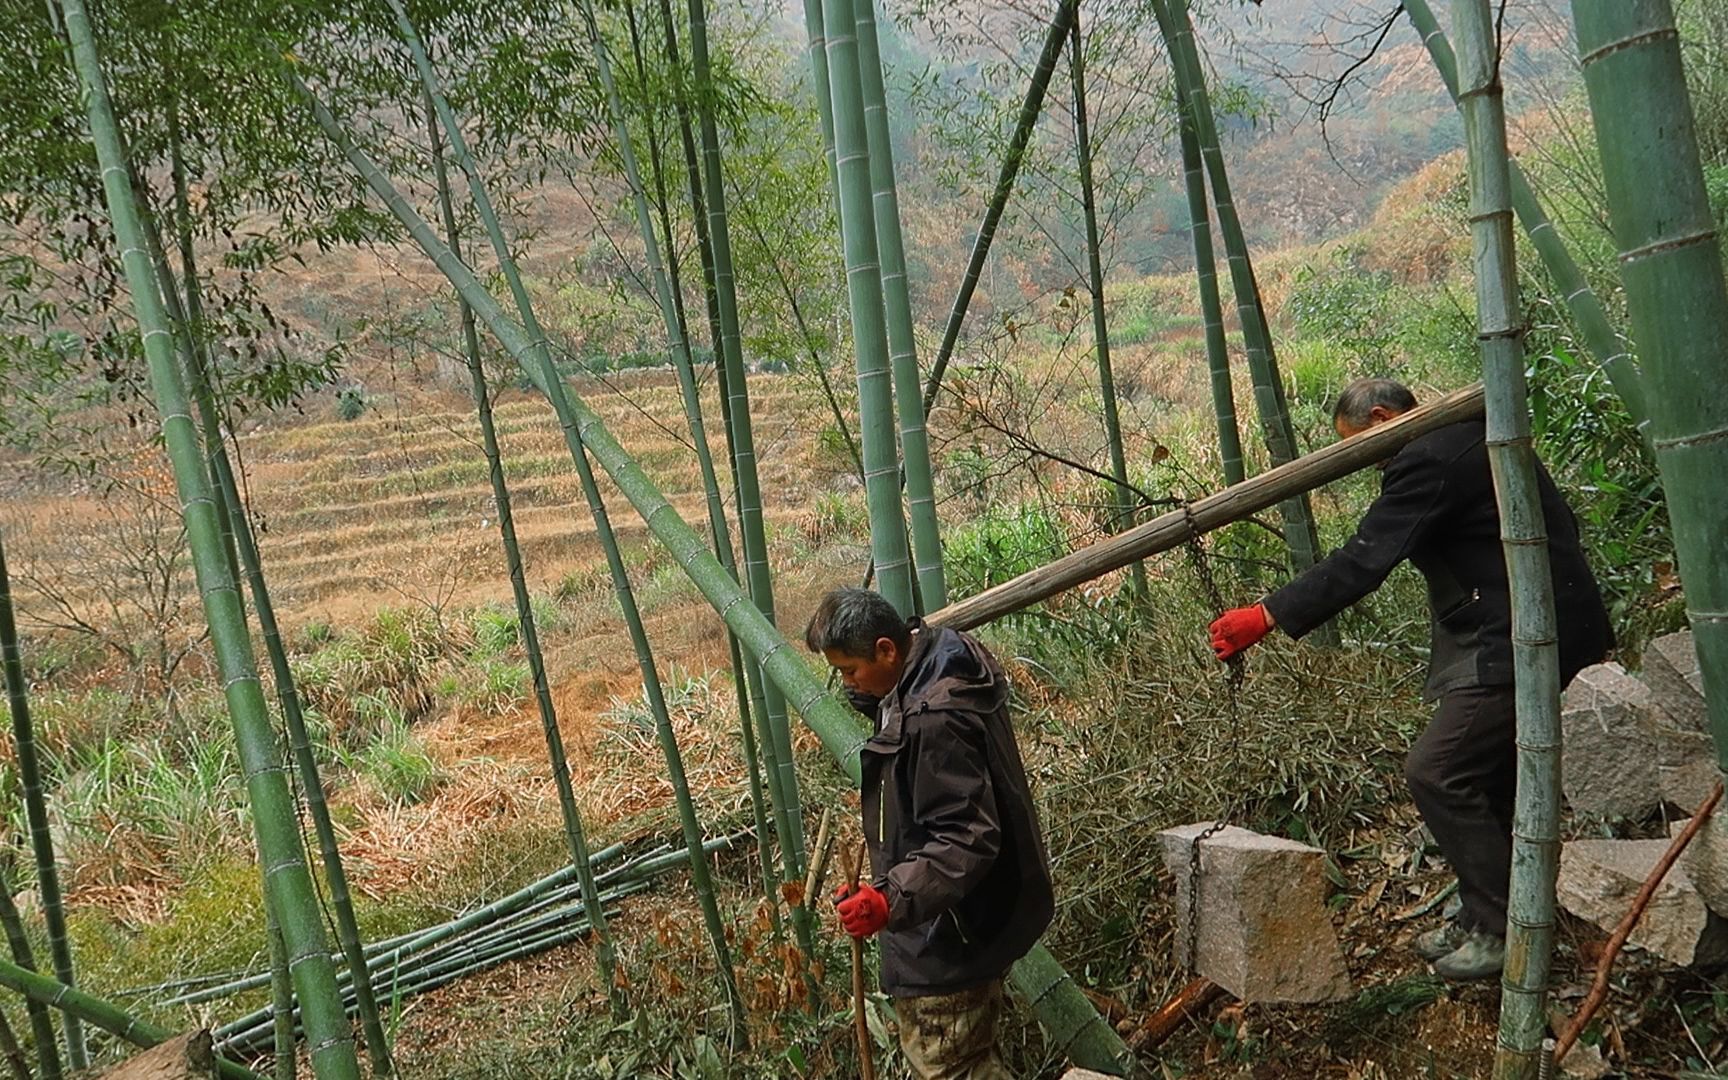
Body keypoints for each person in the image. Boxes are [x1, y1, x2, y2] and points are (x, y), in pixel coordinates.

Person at [1207, 378, 1612, 981]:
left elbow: (1364, 558)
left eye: (1362, 449)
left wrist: (1265, 615)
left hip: (1521, 634)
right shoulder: (1469, 439)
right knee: (1489, 778)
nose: (1370, 463)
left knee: (1438, 772)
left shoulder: (1431, 455)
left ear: (1380, 418)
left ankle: (1506, 929)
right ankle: (1491, 913)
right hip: (1530, 618)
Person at [805, 587, 1053, 1080]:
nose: (847, 683)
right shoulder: (940, 657)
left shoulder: (934, 718)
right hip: (968, 911)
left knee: (951, 1067)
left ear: (886, 649)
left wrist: (889, 899)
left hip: (948, 931)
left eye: (849, 671)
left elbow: (965, 835)